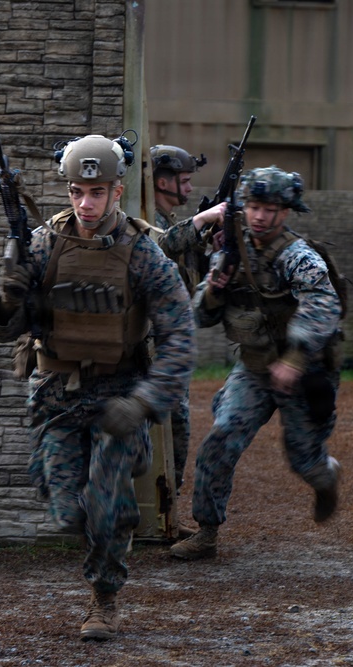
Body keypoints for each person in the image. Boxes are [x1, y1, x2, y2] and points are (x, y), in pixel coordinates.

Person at [0, 134, 195, 639]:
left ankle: (104, 598)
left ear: (117, 192)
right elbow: (6, 330)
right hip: (55, 393)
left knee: (105, 505)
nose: (86, 203)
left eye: (97, 192)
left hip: (117, 396)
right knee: (65, 511)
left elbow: (180, 337)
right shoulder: (44, 243)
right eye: (77, 192)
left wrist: (143, 402)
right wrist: (9, 300)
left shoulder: (143, 252)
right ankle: (105, 510)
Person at [170, 166, 343, 562]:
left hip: (304, 371)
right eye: (253, 207)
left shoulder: (299, 257)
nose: (260, 216)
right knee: (222, 435)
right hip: (254, 368)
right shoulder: (231, 251)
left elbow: (323, 307)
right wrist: (214, 290)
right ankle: (206, 531)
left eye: (269, 209)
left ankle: (325, 476)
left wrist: (294, 359)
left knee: (304, 458)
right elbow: (201, 316)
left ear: (285, 212)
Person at [148, 144, 228, 496]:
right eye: (183, 180)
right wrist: (201, 221)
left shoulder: (171, 222)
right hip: (150, 344)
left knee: (177, 425)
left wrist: (211, 247)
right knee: (164, 424)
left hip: (172, 340)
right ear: (162, 182)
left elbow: (186, 268)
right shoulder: (145, 216)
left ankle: (168, 501)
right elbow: (158, 246)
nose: (189, 187)